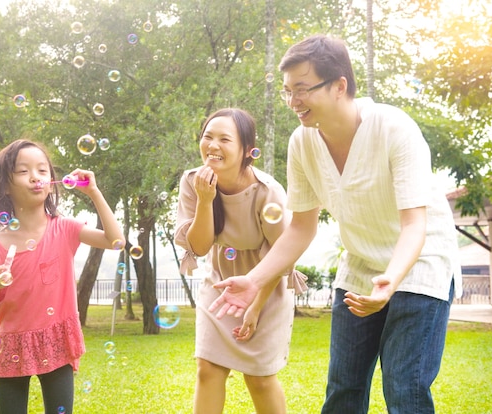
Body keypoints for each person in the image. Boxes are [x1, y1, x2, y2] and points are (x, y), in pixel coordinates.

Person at [208, 34, 461, 414]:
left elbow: (414, 226)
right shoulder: (302, 143)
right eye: (287, 91)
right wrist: (255, 279)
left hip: (420, 264)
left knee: (404, 387)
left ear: (340, 85)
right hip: (360, 266)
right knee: (343, 389)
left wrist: (390, 282)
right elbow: (300, 229)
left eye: (303, 89)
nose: (293, 101)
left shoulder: (395, 129)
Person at [0, 139, 125, 414]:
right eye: (23, 171)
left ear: (52, 181)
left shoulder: (64, 228)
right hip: (11, 342)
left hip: (56, 338)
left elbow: (116, 241)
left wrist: (93, 192)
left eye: (43, 171)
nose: (36, 177)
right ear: (5, 186)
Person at [175, 108, 297, 414]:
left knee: (259, 379)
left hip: (266, 282)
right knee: (208, 369)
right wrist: (205, 200)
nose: (213, 145)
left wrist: (254, 308)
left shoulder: (266, 191)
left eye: (224, 139)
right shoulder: (193, 182)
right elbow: (200, 247)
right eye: (208, 137)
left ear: (246, 150)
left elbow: (282, 252)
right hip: (221, 283)